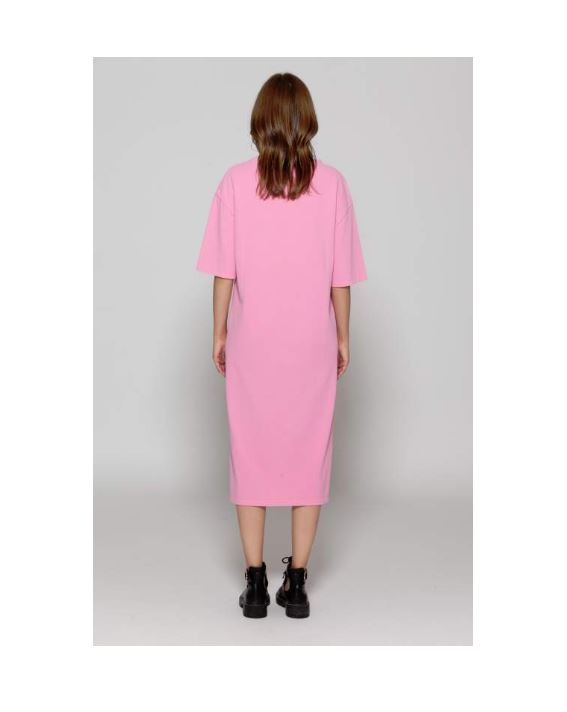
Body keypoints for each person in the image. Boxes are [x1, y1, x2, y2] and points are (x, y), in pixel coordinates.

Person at [196, 72, 367, 618]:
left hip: (254, 343)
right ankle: (296, 584)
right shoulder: (333, 185)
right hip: (311, 343)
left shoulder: (234, 182)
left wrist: (220, 331)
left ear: (260, 122)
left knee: (249, 453)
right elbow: (341, 278)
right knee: (310, 454)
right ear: (307, 121)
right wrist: (343, 337)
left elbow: (223, 272)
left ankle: (254, 584)